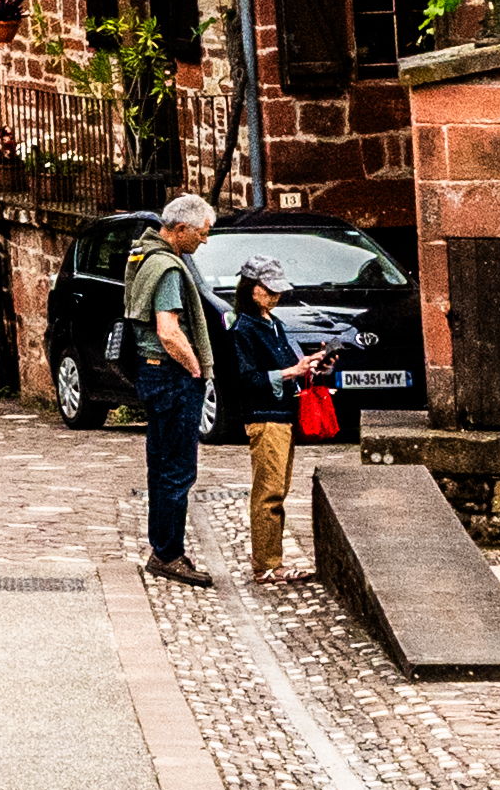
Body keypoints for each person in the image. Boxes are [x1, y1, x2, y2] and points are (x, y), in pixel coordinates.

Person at [120, 193, 219, 584]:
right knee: (178, 469)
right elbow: (168, 329)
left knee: (160, 466)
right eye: (202, 234)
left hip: (151, 372)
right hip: (170, 375)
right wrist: (195, 367)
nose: (204, 241)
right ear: (180, 230)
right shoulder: (169, 269)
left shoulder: (141, 255)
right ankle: (168, 553)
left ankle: (163, 548)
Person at [224, 262, 343, 583]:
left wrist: (315, 365)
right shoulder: (243, 329)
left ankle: (270, 561)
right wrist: (293, 371)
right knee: (269, 492)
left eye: (278, 290)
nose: (276, 295)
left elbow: (292, 368)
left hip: (283, 414)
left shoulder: (274, 324)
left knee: (278, 489)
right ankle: (266, 565)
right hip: (265, 417)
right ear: (252, 289)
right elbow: (246, 379)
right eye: (269, 290)